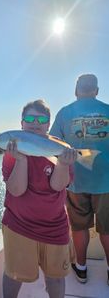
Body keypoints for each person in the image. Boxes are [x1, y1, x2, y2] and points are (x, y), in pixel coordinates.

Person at [2, 99, 77, 298]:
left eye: (42, 118)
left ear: (48, 123)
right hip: (19, 225)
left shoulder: (61, 147)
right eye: (29, 117)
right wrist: (21, 159)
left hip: (55, 227)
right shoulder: (13, 150)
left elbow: (57, 186)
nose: (35, 122)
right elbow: (16, 191)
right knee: (14, 275)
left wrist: (62, 164)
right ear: (21, 123)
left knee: (56, 277)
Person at [50, 73, 109, 285]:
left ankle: (82, 269)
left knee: (79, 227)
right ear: (97, 91)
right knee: (108, 229)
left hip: (76, 182)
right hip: (107, 183)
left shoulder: (65, 112)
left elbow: (53, 144)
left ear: (76, 90)